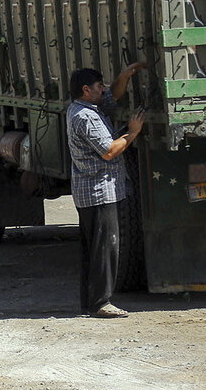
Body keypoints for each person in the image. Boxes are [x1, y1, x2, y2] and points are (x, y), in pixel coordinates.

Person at [66, 63, 146, 318]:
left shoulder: (83, 108)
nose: (105, 90)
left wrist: (123, 77)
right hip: (99, 191)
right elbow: (109, 151)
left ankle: (90, 303)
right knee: (105, 248)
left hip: (91, 191)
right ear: (86, 89)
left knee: (94, 249)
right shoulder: (86, 117)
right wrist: (132, 133)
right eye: (100, 86)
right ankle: (101, 303)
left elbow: (114, 96)